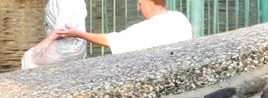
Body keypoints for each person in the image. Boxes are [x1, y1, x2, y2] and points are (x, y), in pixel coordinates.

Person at [55, 0, 193, 54]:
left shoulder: (150, 27)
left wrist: (77, 33)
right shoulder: (180, 17)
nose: (138, 9)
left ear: (148, 3)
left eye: (139, 4)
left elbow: (111, 40)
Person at [20, 0, 89, 68]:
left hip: (67, 47)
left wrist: (46, 41)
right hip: (80, 45)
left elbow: (65, 27)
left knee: (29, 57)